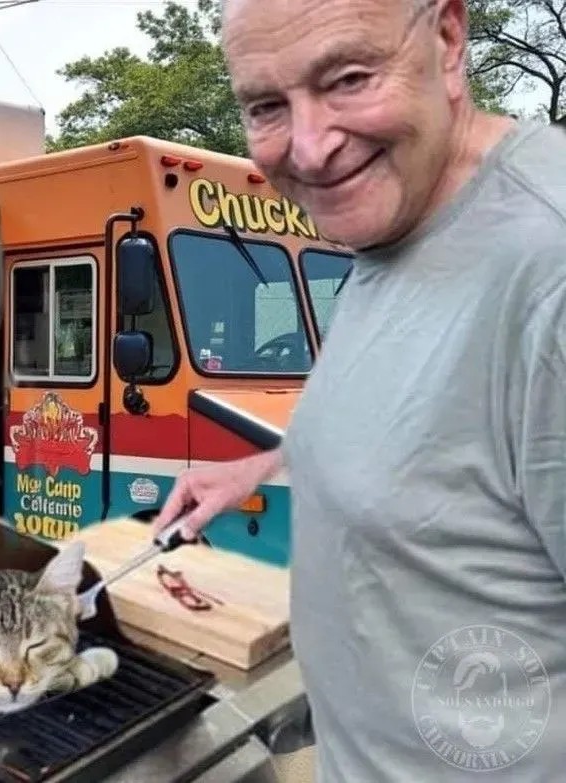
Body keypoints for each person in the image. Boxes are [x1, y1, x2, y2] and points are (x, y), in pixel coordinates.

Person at [152, 0, 566, 780]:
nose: (309, 149)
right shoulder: (394, 224)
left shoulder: (549, 269)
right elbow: (433, 421)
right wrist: (269, 463)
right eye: (266, 106)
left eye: (347, 78)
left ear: (448, 38)